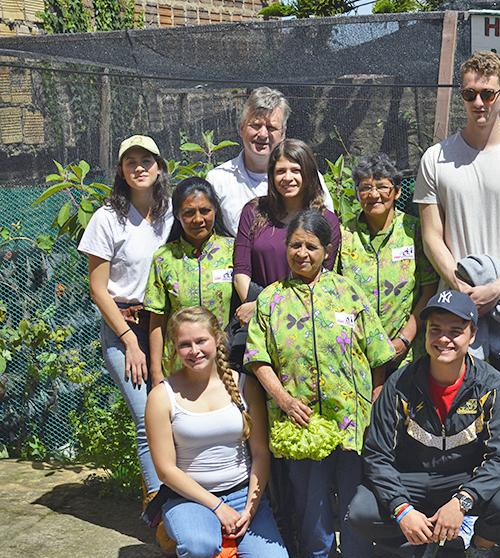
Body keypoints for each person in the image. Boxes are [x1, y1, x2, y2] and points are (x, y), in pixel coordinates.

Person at [245, 209, 395, 558]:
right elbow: (257, 358)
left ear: (327, 250)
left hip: (350, 422)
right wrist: (283, 400)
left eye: (311, 246)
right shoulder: (271, 299)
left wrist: (373, 403)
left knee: (353, 505)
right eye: (295, 245)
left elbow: (377, 355)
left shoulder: (348, 292)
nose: (302, 253)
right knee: (311, 509)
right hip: (300, 424)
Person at [347, 289, 500, 558]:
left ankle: (477, 547)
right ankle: (418, 542)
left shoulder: (493, 385)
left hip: (465, 477)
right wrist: (402, 509)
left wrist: (463, 501)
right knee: (361, 511)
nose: (444, 339)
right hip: (413, 479)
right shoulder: (400, 383)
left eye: (455, 331)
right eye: (435, 329)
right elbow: (377, 455)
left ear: (473, 335)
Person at [414, 50, 500, 385]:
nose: (479, 102)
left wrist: (498, 288)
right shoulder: (435, 158)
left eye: (487, 94)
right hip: (455, 312)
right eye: (469, 94)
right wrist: (458, 285)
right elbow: (432, 234)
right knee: (459, 410)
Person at [145, 307, 289, 558]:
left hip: (243, 494)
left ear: (217, 339)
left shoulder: (246, 385)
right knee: (199, 546)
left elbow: (260, 454)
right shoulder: (161, 396)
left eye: (201, 341)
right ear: (175, 348)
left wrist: (250, 510)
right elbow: (165, 471)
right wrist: (217, 507)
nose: (194, 351)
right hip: (188, 498)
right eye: (185, 344)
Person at [78, 134, 173, 511]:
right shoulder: (108, 218)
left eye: (146, 160)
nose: (139, 167)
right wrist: (130, 341)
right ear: (120, 170)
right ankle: (158, 508)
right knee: (146, 415)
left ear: (159, 167)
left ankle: (183, 496)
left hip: (165, 327)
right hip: (125, 327)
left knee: (173, 413)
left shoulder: (171, 214)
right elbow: (98, 289)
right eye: (130, 161)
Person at [337, 153, 438, 372]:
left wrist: (405, 338)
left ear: (397, 191)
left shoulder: (414, 231)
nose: (374, 194)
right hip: (357, 351)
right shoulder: (344, 234)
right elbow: (334, 292)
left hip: (406, 352)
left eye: (382, 187)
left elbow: (429, 288)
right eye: (365, 188)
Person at [232, 139, 341, 327]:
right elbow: (241, 271)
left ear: (308, 173)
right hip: (255, 317)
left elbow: (321, 278)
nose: (287, 178)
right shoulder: (253, 211)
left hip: (304, 316)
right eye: (280, 171)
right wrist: (257, 309)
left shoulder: (326, 220)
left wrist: (266, 306)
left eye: (295, 170)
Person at [206, 86, 333, 236]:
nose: (263, 134)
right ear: (241, 128)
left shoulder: (306, 177)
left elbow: (327, 229)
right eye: (256, 125)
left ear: (283, 133)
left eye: (271, 127)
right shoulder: (218, 180)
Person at [145, 177, 235, 381]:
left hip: (225, 363)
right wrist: (156, 372)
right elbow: (157, 320)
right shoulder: (164, 258)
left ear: (215, 211)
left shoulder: (234, 251)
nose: (198, 219)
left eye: (205, 210)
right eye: (188, 212)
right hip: (180, 364)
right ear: (177, 215)